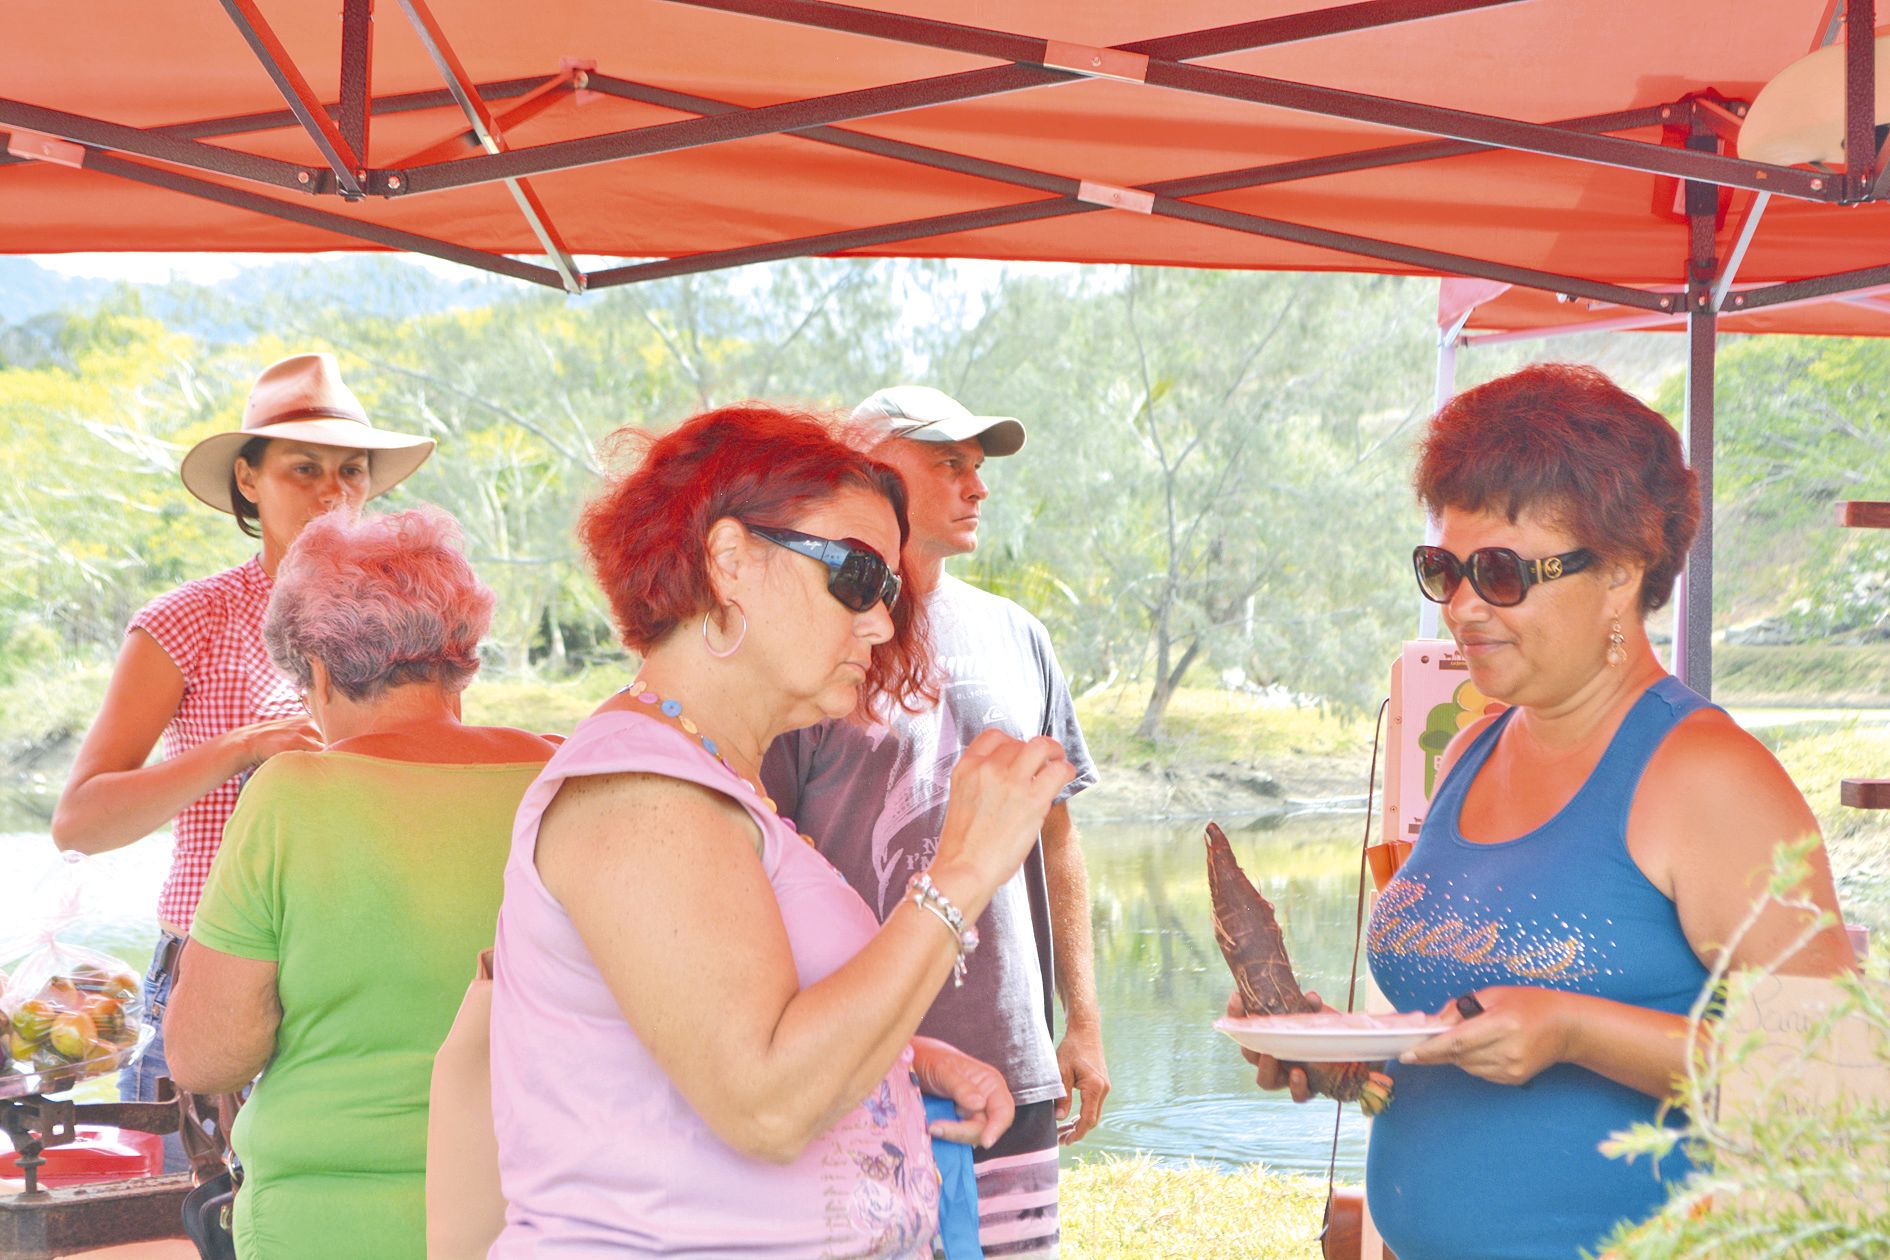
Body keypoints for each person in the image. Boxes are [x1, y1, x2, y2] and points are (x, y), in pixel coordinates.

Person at [1237, 363, 1856, 1260]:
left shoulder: (1705, 776)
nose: (1460, 607)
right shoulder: (1470, 750)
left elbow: (1834, 1080)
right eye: (1442, 569)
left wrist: (1577, 1031)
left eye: (1499, 573)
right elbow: (1456, 1036)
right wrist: (1349, 1061)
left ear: (1620, 570)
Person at [487, 404, 1072, 1257]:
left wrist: (896, 1062)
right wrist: (963, 873)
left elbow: (723, 1020)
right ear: (729, 560)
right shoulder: (639, 794)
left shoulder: (712, 779)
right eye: (857, 577)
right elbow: (764, 1102)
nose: (878, 622)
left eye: (887, 592)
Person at [49, 352, 434, 1159]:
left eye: (352, 471)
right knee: (205, 1219)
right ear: (249, 482)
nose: (334, 492)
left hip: (369, 970)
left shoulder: (414, 622)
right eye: (305, 468)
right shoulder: (187, 620)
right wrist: (243, 747)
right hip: (211, 973)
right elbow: (79, 821)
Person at [762, 384, 1108, 1258]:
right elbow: (761, 851)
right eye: (948, 464)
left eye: (978, 467)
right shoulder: (812, 644)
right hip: (858, 1060)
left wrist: (1084, 1021)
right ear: (874, 473)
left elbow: (1057, 837)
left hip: (1012, 1061)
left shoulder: (1017, 635)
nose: (976, 486)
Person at [163, 506, 554, 1260]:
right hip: (534, 1210)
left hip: (330, 1219)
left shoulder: (292, 793)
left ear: (313, 669)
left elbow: (208, 1057)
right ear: (463, 650)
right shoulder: (559, 775)